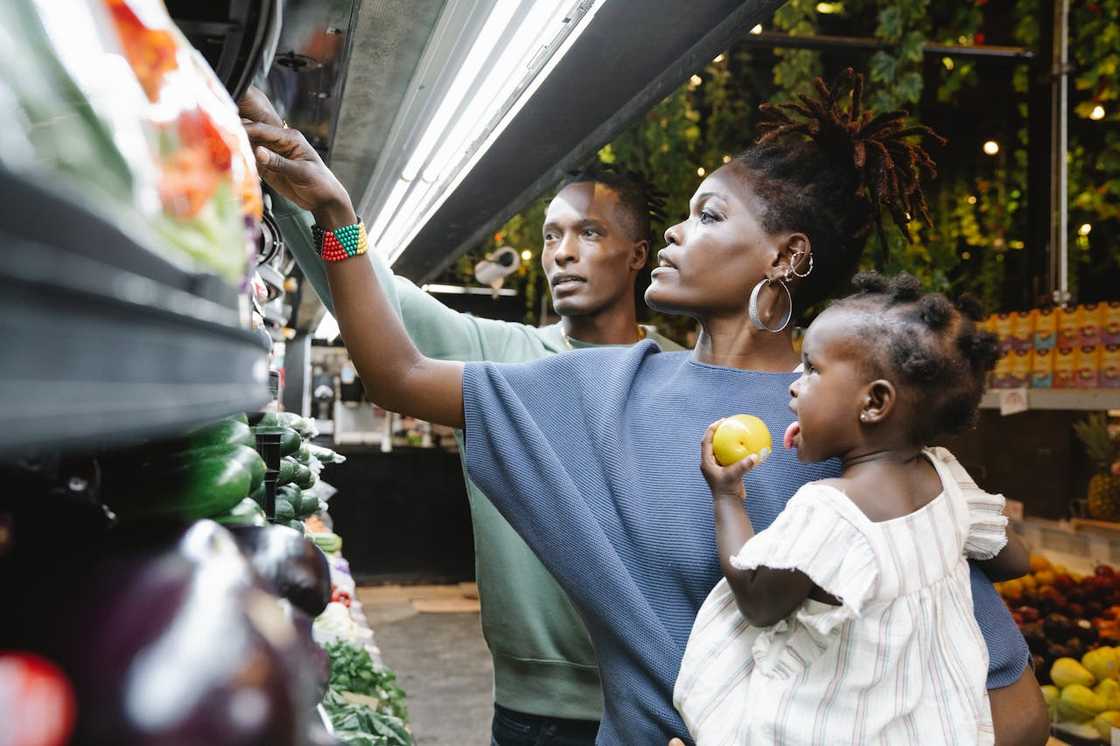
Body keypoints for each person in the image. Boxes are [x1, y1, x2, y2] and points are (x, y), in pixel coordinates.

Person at [244, 69, 1047, 744]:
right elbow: (399, 370)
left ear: (788, 254)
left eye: (707, 215)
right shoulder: (606, 386)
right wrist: (335, 218)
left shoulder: (862, 437)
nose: (669, 233)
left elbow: (1011, 707)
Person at [239, 88, 683, 745]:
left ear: (638, 254)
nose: (562, 252)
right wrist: (303, 184)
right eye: (552, 234)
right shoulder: (504, 355)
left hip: (664, 708)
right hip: (533, 712)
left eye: (589, 233)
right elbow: (370, 293)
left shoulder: (683, 377)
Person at [676, 272, 1031, 744]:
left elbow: (758, 602)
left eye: (813, 369)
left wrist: (727, 498)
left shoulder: (831, 511)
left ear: (874, 403)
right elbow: (1016, 560)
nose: (794, 386)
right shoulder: (945, 478)